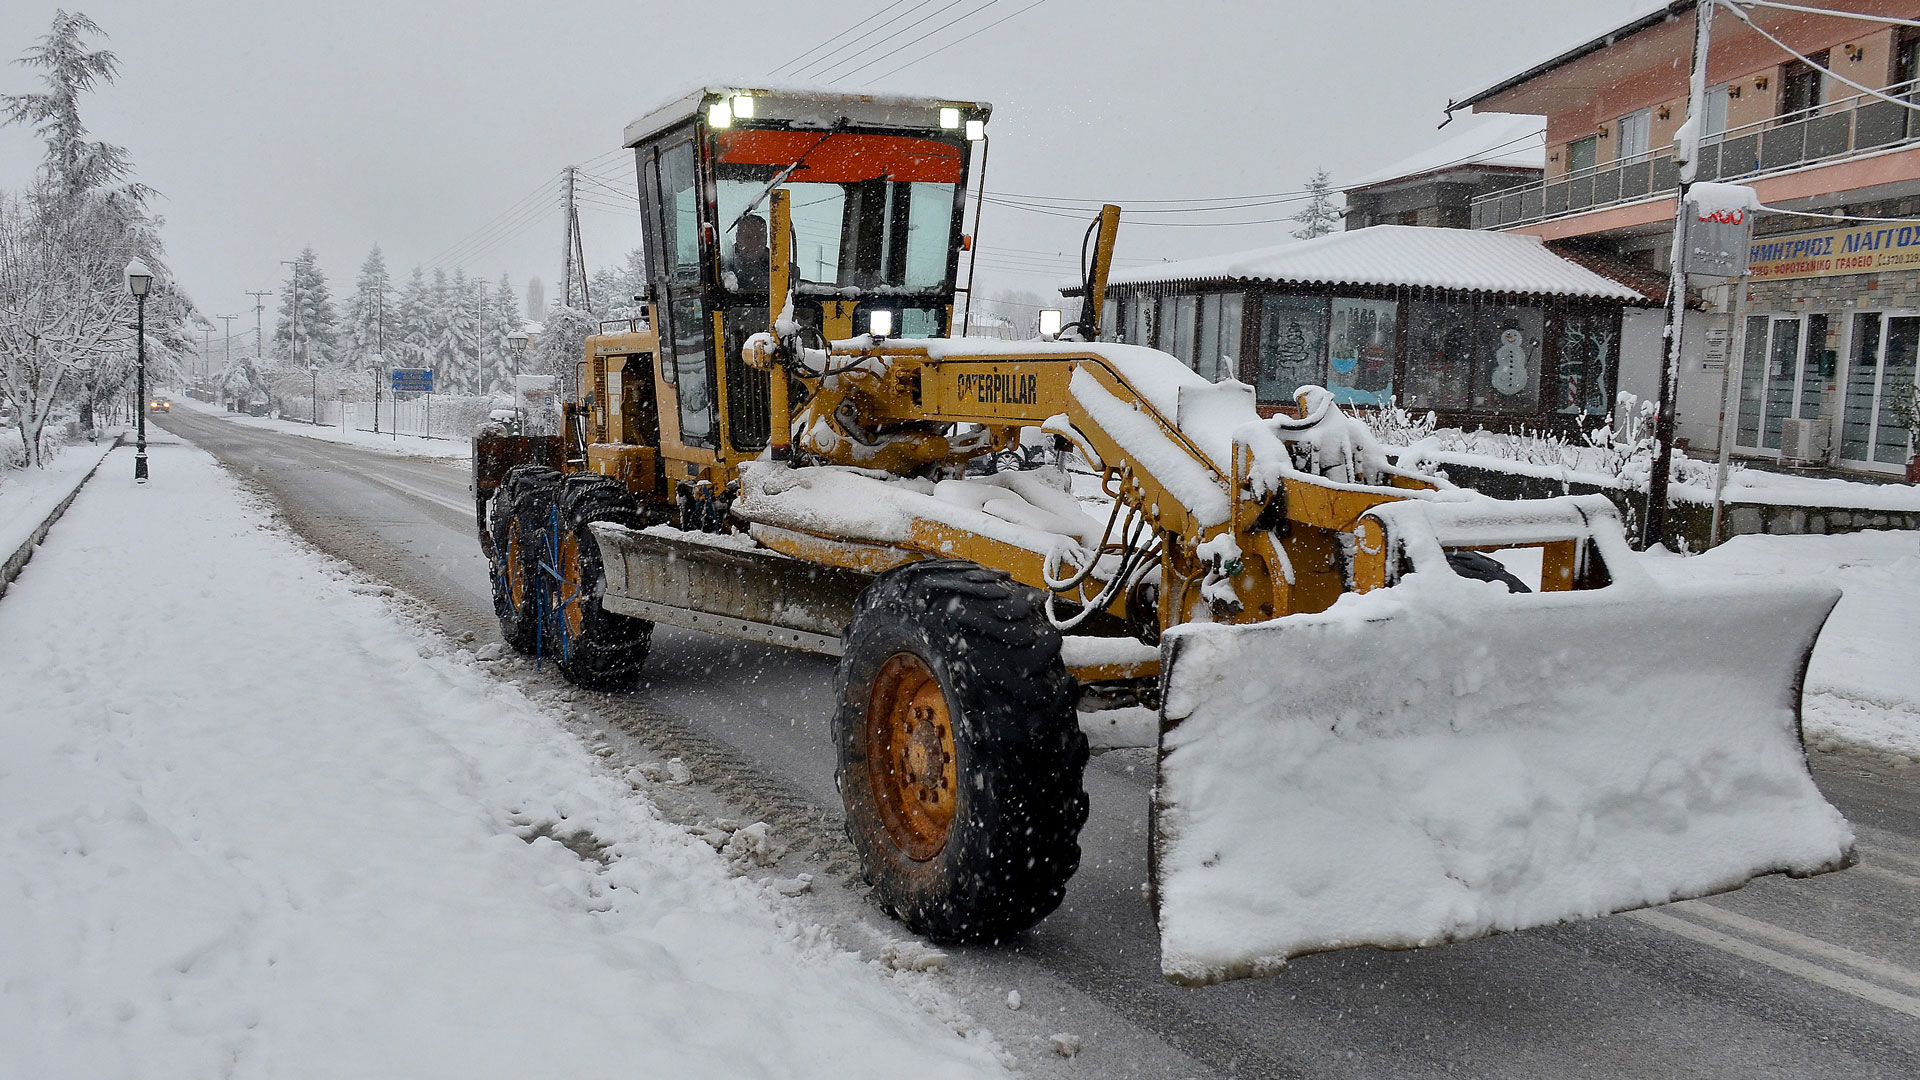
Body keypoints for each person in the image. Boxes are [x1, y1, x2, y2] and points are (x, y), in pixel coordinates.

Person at [730, 213, 770, 291]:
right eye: (748, 237)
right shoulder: (725, 266)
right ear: (738, 238)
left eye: (760, 237)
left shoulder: (778, 266)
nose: (755, 243)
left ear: (766, 239)